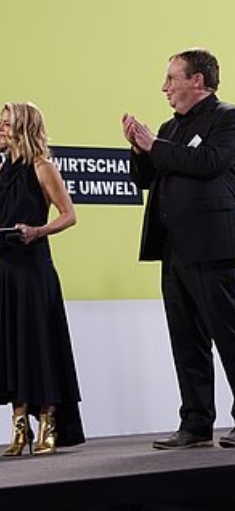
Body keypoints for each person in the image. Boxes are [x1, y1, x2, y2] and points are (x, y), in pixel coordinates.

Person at [122, 48, 235, 450]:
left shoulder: (227, 118)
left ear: (197, 80)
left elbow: (209, 162)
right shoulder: (169, 128)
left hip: (213, 248)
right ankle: (196, 423)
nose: (164, 87)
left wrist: (155, 145)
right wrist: (140, 150)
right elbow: (146, 178)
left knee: (229, 335)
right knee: (186, 340)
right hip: (174, 250)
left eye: (172, 78)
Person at [0, 102, 85, 456]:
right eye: (0, 122)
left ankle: (49, 423)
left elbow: (68, 215)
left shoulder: (43, 167)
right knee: (10, 345)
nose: (1, 128)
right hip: (4, 269)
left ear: (23, 127)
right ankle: (19, 426)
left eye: (8, 123)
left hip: (34, 269)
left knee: (39, 344)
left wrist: (38, 231)